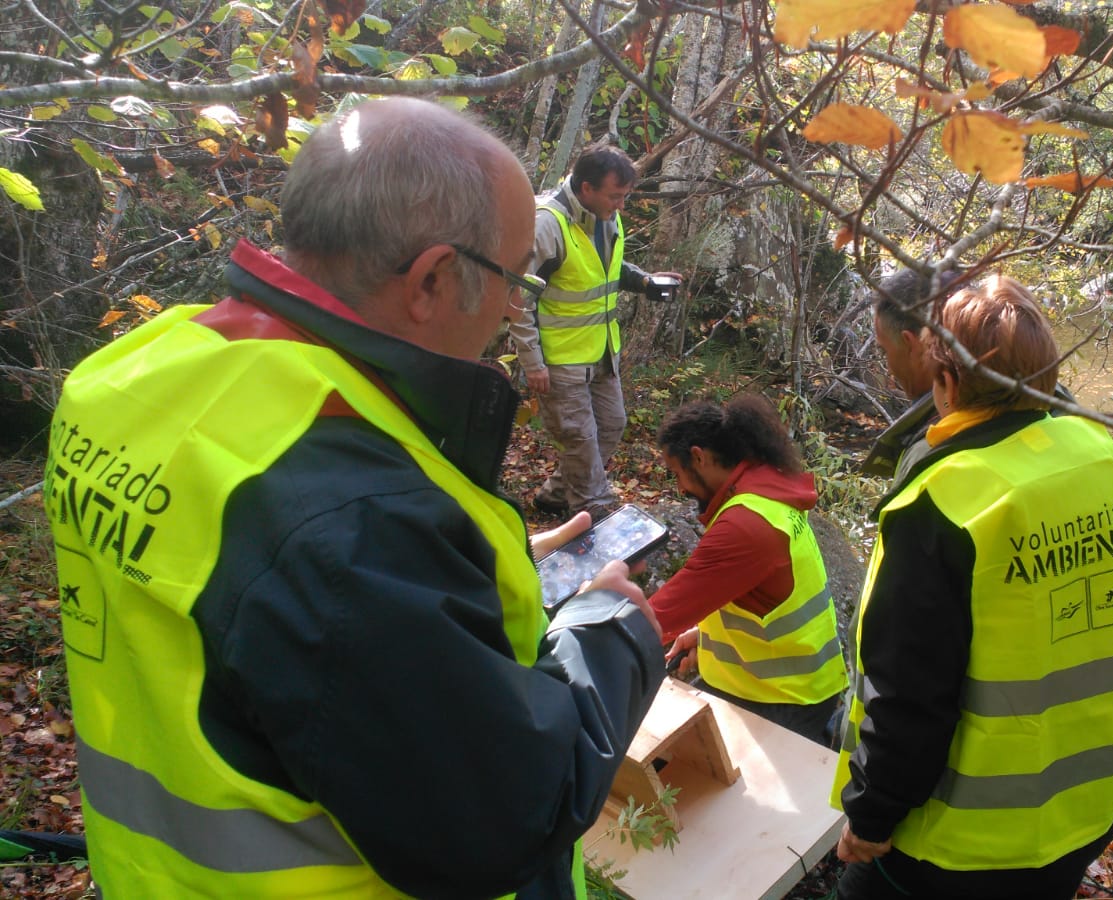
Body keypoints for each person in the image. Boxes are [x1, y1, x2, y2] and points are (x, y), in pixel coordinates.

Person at [44, 98, 665, 899]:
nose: (518, 306)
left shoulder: (135, 370)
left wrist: (457, 574)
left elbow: (249, 610)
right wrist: (604, 624)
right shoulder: (361, 521)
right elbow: (506, 816)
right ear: (434, 278)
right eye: (515, 280)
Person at [830, 275, 1113, 898]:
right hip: (1102, 785)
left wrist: (871, 820)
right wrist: (1081, 633)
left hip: (972, 837)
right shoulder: (1090, 452)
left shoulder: (942, 503)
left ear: (947, 382)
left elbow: (908, 695)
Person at [650, 395, 848, 747]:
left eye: (677, 473)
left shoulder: (746, 525)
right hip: (788, 681)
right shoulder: (765, 488)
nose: (679, 487)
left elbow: (655, 618)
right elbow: (758, 594)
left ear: (699, 457)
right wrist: (705, 634)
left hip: (783, 698)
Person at [509, 144, 682, 520]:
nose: (621, 206)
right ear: (586, 188)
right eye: (615, 196)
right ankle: (594, 515)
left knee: (611, 425)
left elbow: (608, 268)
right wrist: (533, 362)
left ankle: (556, 495)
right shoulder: (547, 225)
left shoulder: (605, 215)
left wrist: (645, 281)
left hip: (602, 353)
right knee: (581, 439)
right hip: (560, 360)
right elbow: (518, 299)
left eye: (624, 197)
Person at [859, 268, 953, 480]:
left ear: (911, 344)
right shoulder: (1033, 410)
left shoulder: (928, 455)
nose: (889, 370)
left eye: (885, 351)